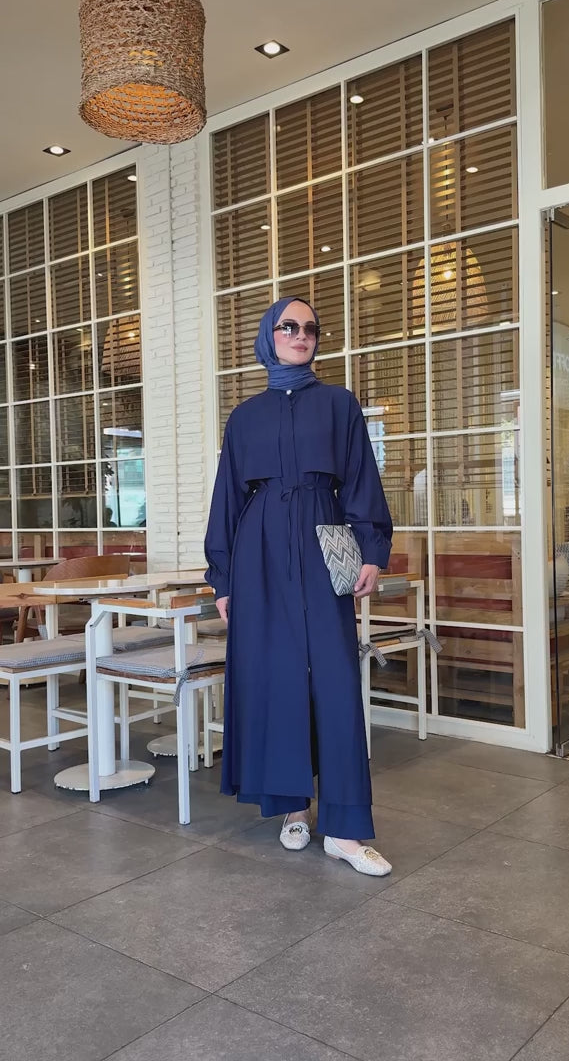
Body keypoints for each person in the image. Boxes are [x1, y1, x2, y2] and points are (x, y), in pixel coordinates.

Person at [204, 297, 394, 876]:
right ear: (269, 335)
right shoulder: (244, 417)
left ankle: (344, 828)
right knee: (277, 676)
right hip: (259, 549)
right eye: (289, 326)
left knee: (335, 679)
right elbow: (227, 500)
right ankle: (292, 806)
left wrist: (373, 549)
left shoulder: (339, 405)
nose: (301, 335)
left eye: (311, 328)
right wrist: (223, 578)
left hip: (323, 537)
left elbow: (361, 478)